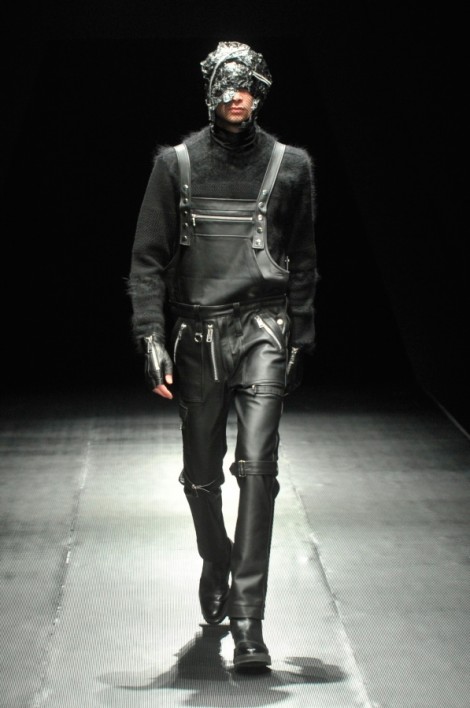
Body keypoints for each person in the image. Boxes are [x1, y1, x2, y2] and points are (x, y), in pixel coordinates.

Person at [128, 41, 318, 670]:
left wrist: (302, 335)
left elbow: (303, 259)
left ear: (261, 92)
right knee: (202, 475)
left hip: (264, 328)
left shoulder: (291, 167)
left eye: (248, 86)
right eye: (226, 86)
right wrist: (150, 336)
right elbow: (148, 260)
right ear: (209, 91)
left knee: (258, 469)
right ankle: (217, 557)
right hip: (198, 334)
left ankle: (248, 619)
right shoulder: (176, 165)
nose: (237, 96)